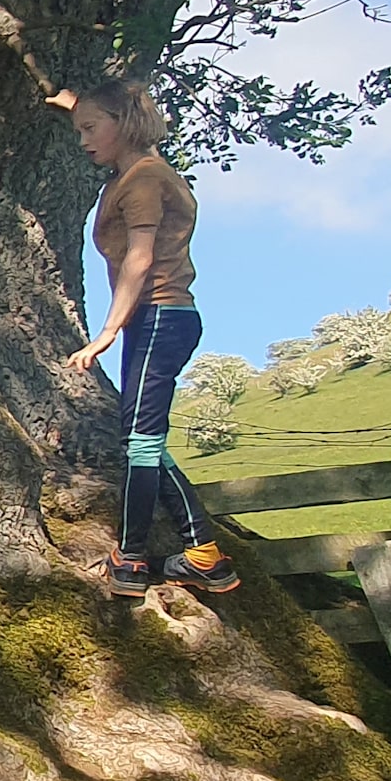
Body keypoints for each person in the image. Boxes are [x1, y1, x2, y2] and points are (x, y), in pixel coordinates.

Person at [53, 80, 241, 597]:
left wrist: (107, 332)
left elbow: (139, 258)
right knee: (143, 437)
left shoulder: (142, 180)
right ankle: (202, 555)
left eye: (91, 129)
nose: (83, 140)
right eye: (79, 130)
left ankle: (133, 556)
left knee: (141, 442)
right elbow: (115, 114)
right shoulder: (140, 168)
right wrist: (71, 100)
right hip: (155, 319)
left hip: (159, 314)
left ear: (124, 124)